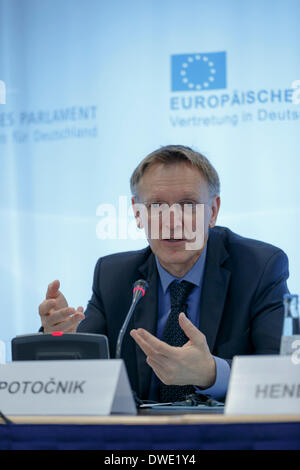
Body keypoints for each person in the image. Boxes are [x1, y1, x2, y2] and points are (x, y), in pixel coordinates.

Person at [38, 145, 289, 402]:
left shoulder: (260, 268)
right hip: (137, 439)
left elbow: (283, 374)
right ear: (138, 214)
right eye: (157, 205)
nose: (172, 221)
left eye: (188, 204)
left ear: (212, 211)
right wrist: (59, 338)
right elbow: (82, 371)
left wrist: (212, 373)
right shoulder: (113, 276)